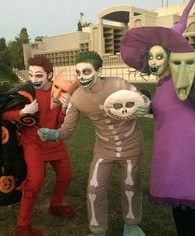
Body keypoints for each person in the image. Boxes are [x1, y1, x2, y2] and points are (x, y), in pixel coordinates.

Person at [120, 0, 195, 235]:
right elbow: (164, 109)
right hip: (169, 153)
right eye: (150, 58)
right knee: (179, 205)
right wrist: (146, 104)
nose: (153, 63)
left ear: (171, 58)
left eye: (158, 57)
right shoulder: (162, 85)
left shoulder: (181, 81)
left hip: (190, 151)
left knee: (189, 203)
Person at [38, 50, 150, 236]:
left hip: (131, 145)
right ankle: (98, 230)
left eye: (87, 72)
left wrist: (145, 106)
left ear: (99, 71)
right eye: (78, 73)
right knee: (94, 188)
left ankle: (131, 224)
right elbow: (68, 129)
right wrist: (54, 134)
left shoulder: (118, 84)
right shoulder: (77, 98)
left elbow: (142, 99)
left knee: (131, 185)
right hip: (104, 149)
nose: (81, 77)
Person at [2, 56, 75, 236]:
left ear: (50, 75)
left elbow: (59, 121)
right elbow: (4, 114)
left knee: (66, 176)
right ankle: (23, 226)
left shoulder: (58, 91)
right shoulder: (25, 92)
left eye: (39, 75)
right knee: (35, 181)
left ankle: (55, 205)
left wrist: (65, 109)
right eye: (31, 74)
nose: (34, 79)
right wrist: (23, 112)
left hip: (54, 141)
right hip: (32, 142)